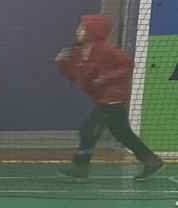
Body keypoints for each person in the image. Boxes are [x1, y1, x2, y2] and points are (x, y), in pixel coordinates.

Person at [56, 13, 164, 181]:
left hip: (112, 98)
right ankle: (153, 162)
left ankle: (81, 167)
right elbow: (73, 76)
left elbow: (128, 65)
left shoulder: (107, 50)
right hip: (99, 98)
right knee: (122, 133)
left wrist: (106, 78)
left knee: (88, 130)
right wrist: (61, 62)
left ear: (94, 30)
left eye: (83, 27)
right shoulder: (77, 51)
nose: (78, 30)